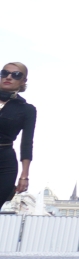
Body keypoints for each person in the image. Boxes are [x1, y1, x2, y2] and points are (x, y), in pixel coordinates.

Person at [0, 62, 36, 208]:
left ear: (23, 81)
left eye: (15, 75)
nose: (8, 77)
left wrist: (24, 176)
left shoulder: (27, 109)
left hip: (4, 164)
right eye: (4, 73)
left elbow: (27, 143)